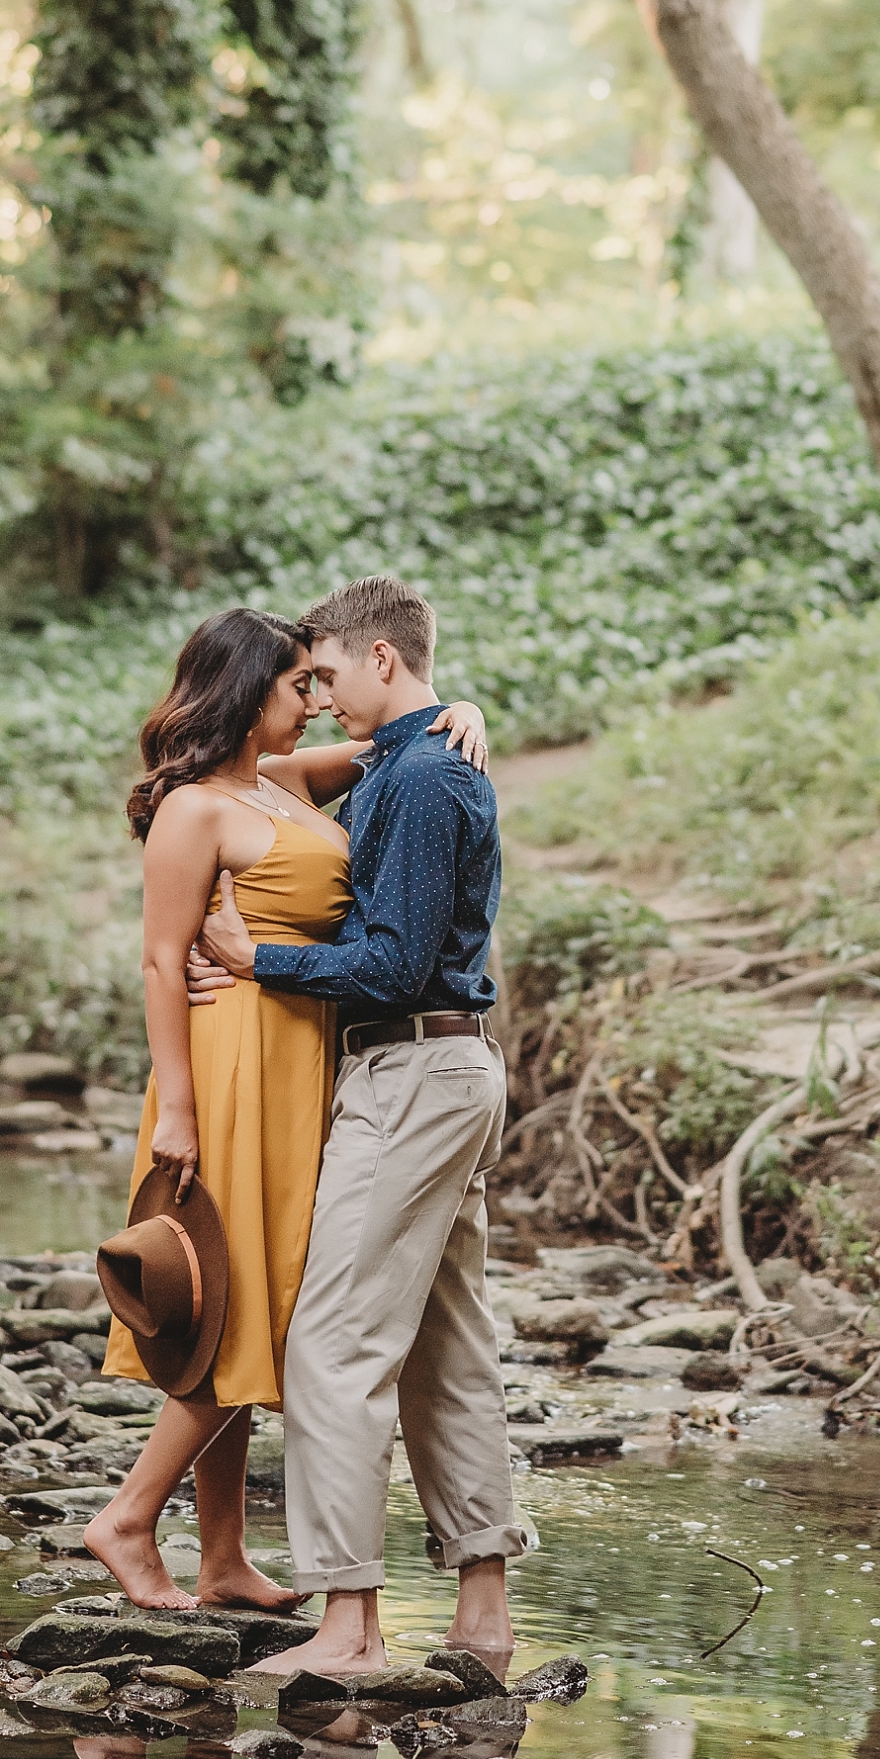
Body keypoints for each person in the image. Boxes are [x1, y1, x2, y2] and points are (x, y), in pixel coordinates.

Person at [83, 607, 487, 1613]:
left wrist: (464, 707)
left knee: (251, 1299)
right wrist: (175, 1109)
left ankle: (221, 1557)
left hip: (306, 1063)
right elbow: (159, 963)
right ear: (242, 690)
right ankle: (128, 1519)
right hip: (225, 1075)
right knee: (237, 1302)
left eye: (317, 682)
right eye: (294, 685)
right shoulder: (192, 811)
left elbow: (399, 736)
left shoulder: (284, 780)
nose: (310, 699)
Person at [197, 574, 535, 1675]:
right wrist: (455, 703)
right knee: (445, 1345)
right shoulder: (407, 760)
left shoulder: (425, 779)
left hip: (413, 1075)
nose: (322, 694)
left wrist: (261, 960)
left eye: (330, 673)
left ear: (380, 659)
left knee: (332, 1343)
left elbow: (389, 959)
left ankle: (347, 1628)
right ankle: (481, 1619)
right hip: (442, 1071)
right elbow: (262, 773)